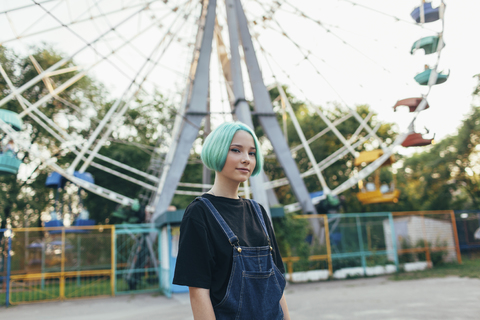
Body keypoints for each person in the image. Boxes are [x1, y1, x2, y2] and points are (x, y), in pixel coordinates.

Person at [173, 121, 290, 320]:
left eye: (252, 153)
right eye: (236, 150)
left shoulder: (258, 212)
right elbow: (199, 292)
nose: (246, 159)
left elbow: (276, 284)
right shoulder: (200, 213)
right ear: (216, 151)